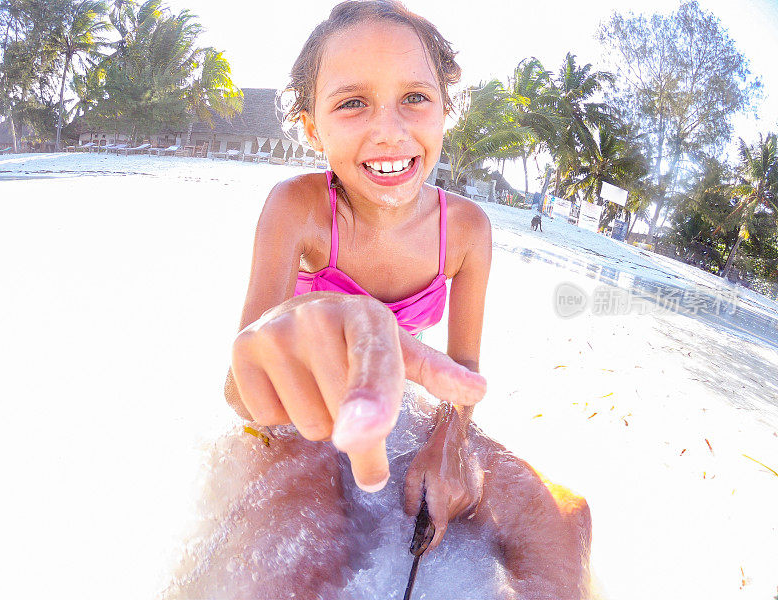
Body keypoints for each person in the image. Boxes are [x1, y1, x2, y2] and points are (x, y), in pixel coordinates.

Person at [164, 2, 592, 598]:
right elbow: (240, 391)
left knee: (567, 522)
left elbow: (462, 372)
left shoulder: (466, 231)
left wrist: (448, 443)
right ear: (312, 126)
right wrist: (294, 326)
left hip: (403, 414)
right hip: (298, 422)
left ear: (446, 110)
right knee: (300, 555)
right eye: (351, 102)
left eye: (414, 97)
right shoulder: (298, 211)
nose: (389, 131)